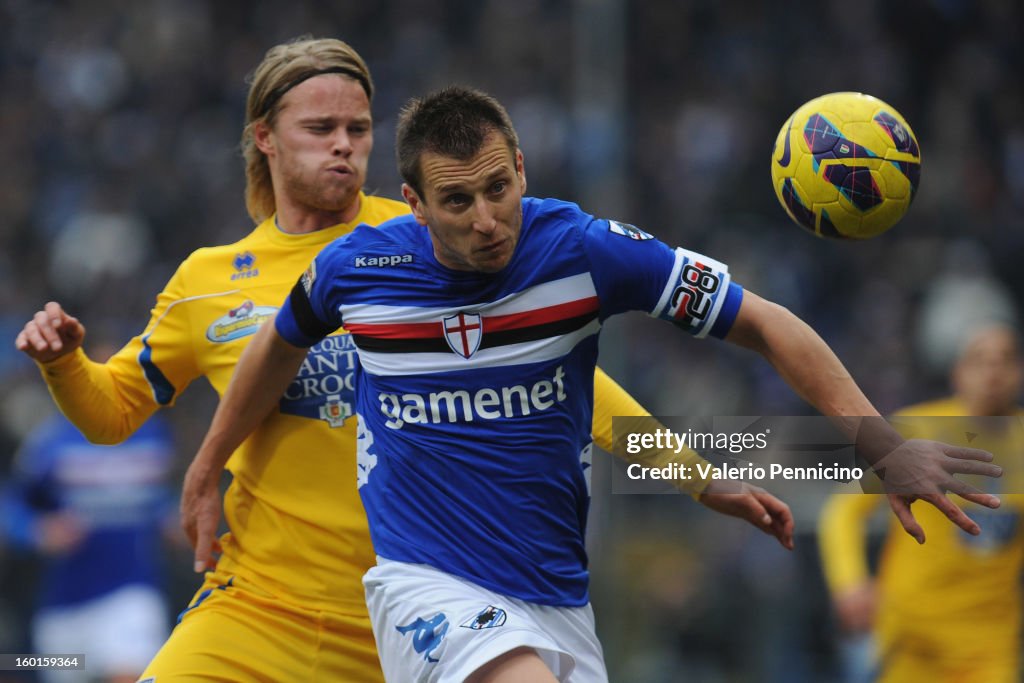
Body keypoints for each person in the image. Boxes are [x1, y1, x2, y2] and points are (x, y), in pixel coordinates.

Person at [14, 38, 791, 682]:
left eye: (358, 127)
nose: (346, 146)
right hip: (259, 610)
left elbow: (577, 388)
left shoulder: (430, 239)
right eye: (321, 128)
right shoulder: (207, 282)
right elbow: (113, 415)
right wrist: (64, 362)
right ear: (264, 137)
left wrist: (696, 474)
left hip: (423, 616)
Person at [182, 85, 1003, 682]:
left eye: (499, 188)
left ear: (522, 169)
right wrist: (208, 464)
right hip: (422, 586)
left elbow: (765, 321)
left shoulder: (584, 251)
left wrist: (876, 444)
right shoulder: (357, 269)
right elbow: (275, 347)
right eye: (457, 201)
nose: (486, 219)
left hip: (556, 599)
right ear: (413, 204)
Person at [819, 323, 1024, 683]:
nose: (993, 372)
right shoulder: (918, 429)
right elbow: (844, 510)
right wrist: (849, 581)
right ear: (957, 373)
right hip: (911, 641)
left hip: (989, 646)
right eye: (980, 361)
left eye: (1005, 360)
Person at [2, 390, 176, 683]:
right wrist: (38, 531)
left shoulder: (152, 435)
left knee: (129, 673)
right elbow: (13, 504)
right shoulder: (51, 440)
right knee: (54, 668)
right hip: (64, 606)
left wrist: (172, 518)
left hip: (130, 592)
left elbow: (156, 497)